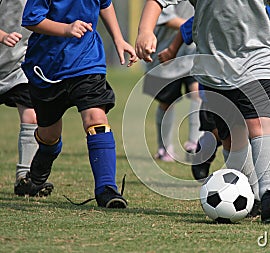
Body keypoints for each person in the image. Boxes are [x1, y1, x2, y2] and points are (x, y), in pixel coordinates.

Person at [136, 0, 270, 224]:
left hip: (258, 60)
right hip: (214, 67)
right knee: (231, 136)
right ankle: (252, 195)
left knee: (259, 123)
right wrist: (145, 31)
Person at [18, 0, 137, 208]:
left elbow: (105, 4)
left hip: (87, 62)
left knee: (96, 120)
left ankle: (107, 189)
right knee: (49, 135)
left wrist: (118, 39)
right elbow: (31, 20)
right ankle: (39, 169)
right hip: (47, 69)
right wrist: (66, 28)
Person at [158, 4, 270, 183]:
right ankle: (204, 154)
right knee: (218, 131)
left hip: (252, 80)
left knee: (252, 128)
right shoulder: (215, 9)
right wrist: (172, 50)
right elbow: (186, 28)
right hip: (216, 83)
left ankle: (261, 187)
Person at [0, 0, 54, 197]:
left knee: (31, 116)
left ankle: (25, 177)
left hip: (21, 65)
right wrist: (3, 35)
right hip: (3, 57)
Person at [142, 2, 202, 162]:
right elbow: (167, 19)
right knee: (167, 103)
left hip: (191, 54)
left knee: (198, 93)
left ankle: (194, 143)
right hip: (165, 56)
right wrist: (198, 25)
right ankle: (165, 148)